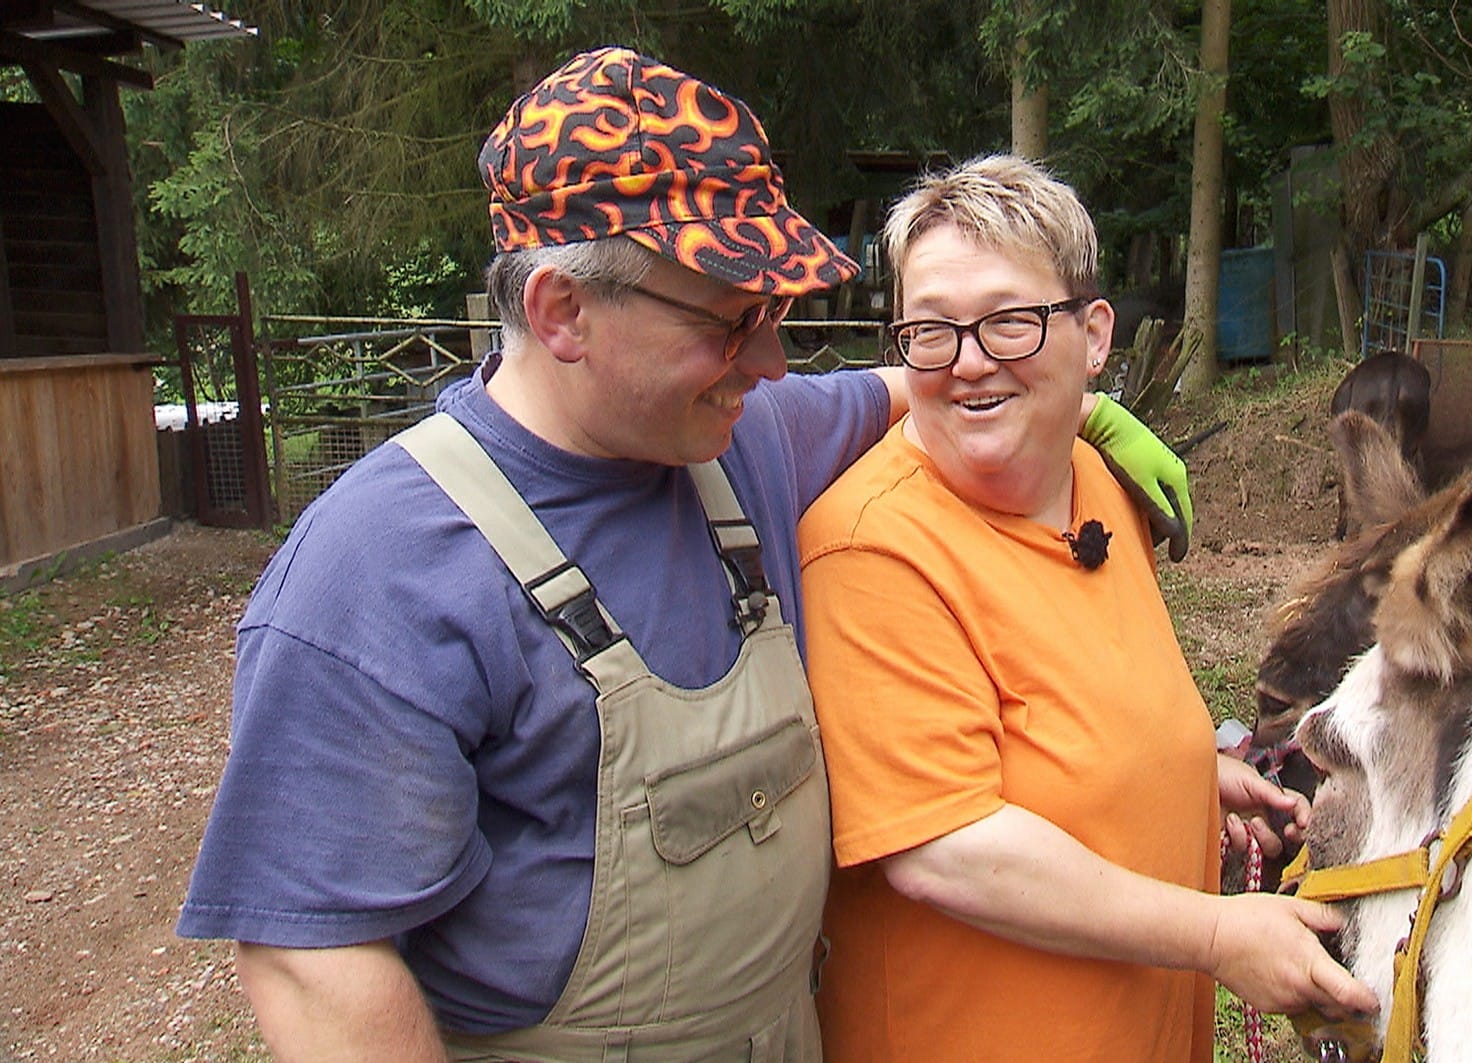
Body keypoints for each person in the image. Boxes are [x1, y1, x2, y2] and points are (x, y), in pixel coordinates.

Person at [175, 50, 1189, 1061]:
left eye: (777, 314)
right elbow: (314, 959)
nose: (772, 361)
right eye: (732, 320)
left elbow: (906, 382)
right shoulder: (378, 568)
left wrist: (1080, 397)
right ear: (562, 313)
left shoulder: (747, 436)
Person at [799, 155, 1378, 1062]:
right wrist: (1221, 934)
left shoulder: (1097, 480)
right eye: (932, 330)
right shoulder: (871, 548)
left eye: (1010, 322)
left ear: (1094, 335)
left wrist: (1183, 773)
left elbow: (1088, 701)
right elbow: (946, 845)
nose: (969, 362)